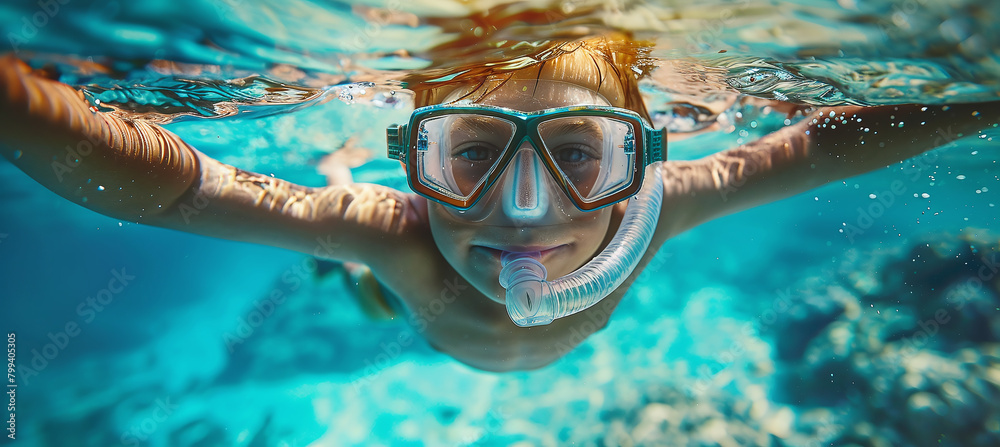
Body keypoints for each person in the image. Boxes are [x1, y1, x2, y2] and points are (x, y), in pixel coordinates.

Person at [1, 37, 997, 372]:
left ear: (642, 160)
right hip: (382, 282)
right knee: (344, 251)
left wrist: (980, 94)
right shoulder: (390, 231)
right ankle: (343, 175)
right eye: (470, 153)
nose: (523, 212)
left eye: (580, 155)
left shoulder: (665, 205)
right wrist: (21, 105)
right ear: (417, 161)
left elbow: (815, 143)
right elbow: (187, 188)